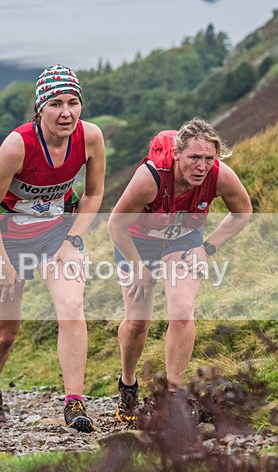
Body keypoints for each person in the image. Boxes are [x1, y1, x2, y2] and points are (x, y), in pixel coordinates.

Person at [0, 65, 105, 433]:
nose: (66, 112)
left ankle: (74, 402)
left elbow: (94, 194)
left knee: (71, 306)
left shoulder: (91, 137)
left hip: (56, 235)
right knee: (4, 333)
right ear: (40, 107)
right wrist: (1, 264)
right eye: (56, 104)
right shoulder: (19, 145)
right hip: (5, 239)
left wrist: (73, 240)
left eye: (73, 102)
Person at [107, 117, 252, 424]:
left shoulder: (220, 176)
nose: (202, 166)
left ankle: (174, 397)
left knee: (182, 310)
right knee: (137, 322)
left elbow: (243, 212)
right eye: (194, 158)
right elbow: (116, 224)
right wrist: (138, 269)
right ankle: (128, 385)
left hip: (183, 241)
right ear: (176, 154)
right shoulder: (150, 179)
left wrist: (206, 247)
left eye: (209, 159)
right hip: (137, 241)